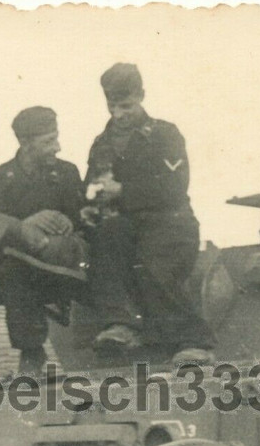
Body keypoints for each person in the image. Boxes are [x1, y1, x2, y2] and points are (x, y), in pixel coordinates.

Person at [84, 63, 216, 366]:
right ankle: (122, 324)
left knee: (155, 266)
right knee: (104, 243)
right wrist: (90, 202)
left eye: (126, 106)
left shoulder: (165, 135)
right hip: (125, 225)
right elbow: (91, 186)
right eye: (112, 106)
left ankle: (194, 340)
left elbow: (174, 187)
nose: (118, 114)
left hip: (170, 221)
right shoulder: (102, 144)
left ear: (141, 95)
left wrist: (121, 190)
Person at [0, 106, 84, 375]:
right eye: (48, 142)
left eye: (56, 138)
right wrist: (22, 226)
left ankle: (32, 353)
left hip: (49, 261)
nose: (57, 147)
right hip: (2, 257)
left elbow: (81, 220)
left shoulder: (66, 173)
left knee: (17, 273)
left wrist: (66, 221)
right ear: (25, 143)